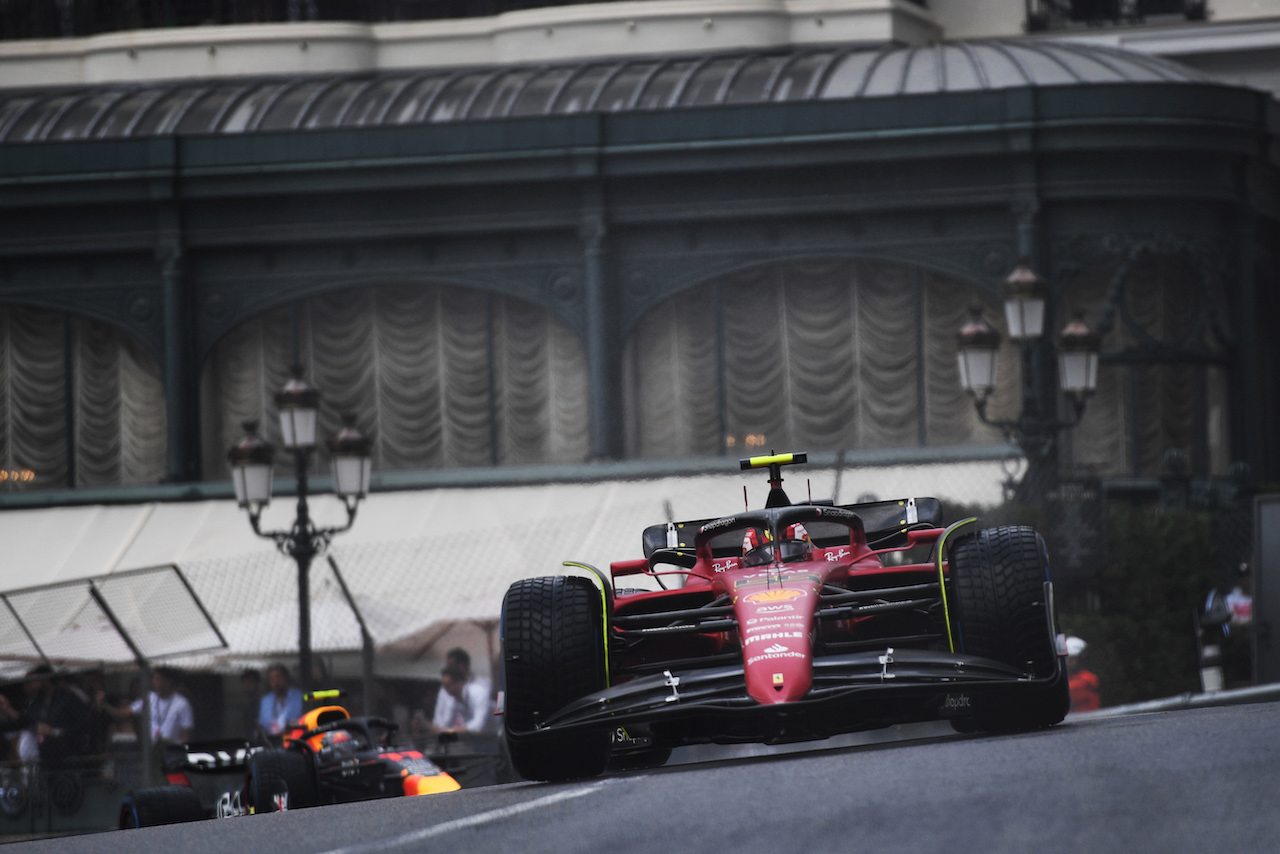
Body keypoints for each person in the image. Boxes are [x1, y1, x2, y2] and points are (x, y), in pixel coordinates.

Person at [0, 665, 92, 762]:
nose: (31, 685)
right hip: (46, 759)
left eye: (34, 681)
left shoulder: (68, 698)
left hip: (69, 758)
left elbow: (85, 724)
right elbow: (23, 721)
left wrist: (57, 732)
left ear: (45, 680)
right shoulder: (37, 703)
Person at [128, 668, 194, 744]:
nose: (154, 681)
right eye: (153, 678)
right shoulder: (150, 698)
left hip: (174, 749)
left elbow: (186, 733)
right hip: (154, 749)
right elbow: (125, 712)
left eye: (157, 679)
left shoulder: (182, 703)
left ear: (167, 682)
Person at [430, 665, 494, 735]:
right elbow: (445, 725)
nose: (445, 690)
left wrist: (448, 731)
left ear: (459, 683)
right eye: (444, 686)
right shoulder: (453, 700)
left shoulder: (479, 693)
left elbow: (478, 726)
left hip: (495, 733)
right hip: (478, 737)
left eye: (448, 685)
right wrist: (427, 726)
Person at [258, 664, 303, 737]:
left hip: (294, 739)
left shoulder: (299, 697)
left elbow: (303, 720)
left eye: (278, 678)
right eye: (272, 679)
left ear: (286, 678)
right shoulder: (265, 701)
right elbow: (262, 726)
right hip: (271, 742)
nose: (276, 682)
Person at [1066, 636, 1100, 712]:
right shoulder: (1068, 678)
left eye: (1072, 658)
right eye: (1066, 658)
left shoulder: (1088, 679)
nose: (1067, 662)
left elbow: (1067, 691)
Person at [240, 669, 262, 739]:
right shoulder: (245, 704)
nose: (247, 685)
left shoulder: (262, 704)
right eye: (245, 682)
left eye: (250, 682)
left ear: (256, 684)